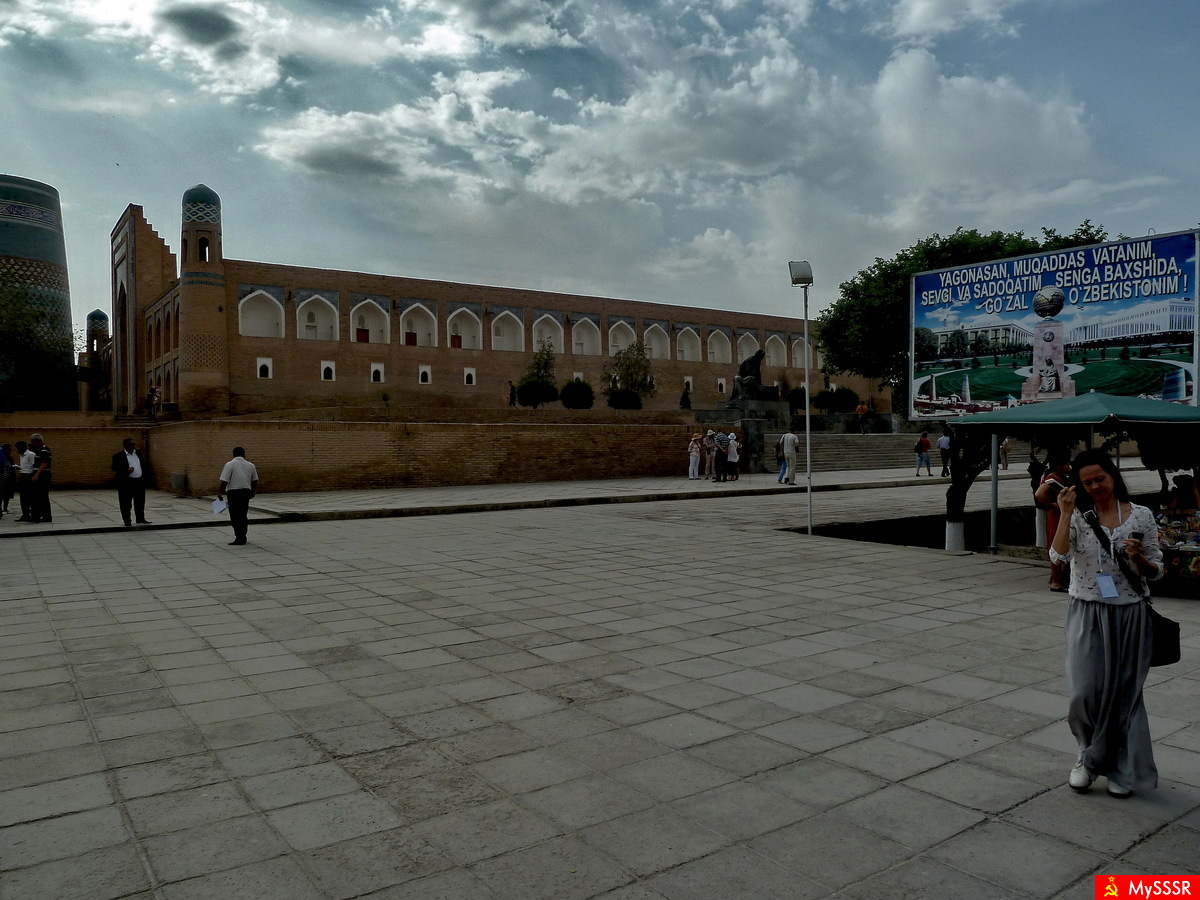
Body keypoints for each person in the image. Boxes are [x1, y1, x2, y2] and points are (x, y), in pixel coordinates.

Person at [1050, 449, 1163, 799]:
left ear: (1113, 475)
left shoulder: (1140, 515)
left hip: (1130, 612)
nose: (1095, 486)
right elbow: (1058, 556)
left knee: (1125, 694)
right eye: (1087, 482)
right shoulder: (1078, 517)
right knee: (1083, 692)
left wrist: (1138, 557)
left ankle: (1120, 766)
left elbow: (1156, 570)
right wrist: (1065, 513)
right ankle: (1086, 755)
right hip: (1086, 609)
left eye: (1100, 478)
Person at [1035, 451, 1074, 592]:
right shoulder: (1052, 478)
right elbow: (1039, 494)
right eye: (1065, 463)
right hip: (1056, 515)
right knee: (1055, 544)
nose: (1068, 466)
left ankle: (1058, 578)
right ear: (1058, 465)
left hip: (1063, 513)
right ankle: (1056, 582)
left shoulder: (1063, 476)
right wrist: (1052, 505)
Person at [217, 446, 259, 546]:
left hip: (233, 493)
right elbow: (255, 480)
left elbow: (224, 480)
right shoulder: (250, 465)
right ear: (244, 454)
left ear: (233, 454)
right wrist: (252, 492)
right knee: (243, 515)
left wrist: (220, 492)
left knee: (234, 515)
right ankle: (243, 536)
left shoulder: (229, 464)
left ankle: (239, 537)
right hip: (245, 492)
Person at [111, 437, 151, 526]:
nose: (132, 446)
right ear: (125, 445)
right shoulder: (118, 456)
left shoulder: (138, 454)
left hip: (139, 481)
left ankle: (140, 518)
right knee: (126, 503)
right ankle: (127, 520)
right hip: (126, 483)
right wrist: (126, 469)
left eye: (133, 444)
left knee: (140, 501)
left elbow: (142, 465)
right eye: (130, 444)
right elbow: (114, 467)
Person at [26, 433, 52, 524]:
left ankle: (46, 516)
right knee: (35, 496)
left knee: (43, 496)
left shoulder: (45, 450)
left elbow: (44, 464)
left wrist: (37, 475)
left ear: (36, 441)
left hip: (43, 475)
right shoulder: (37, 450)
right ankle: (36, 515)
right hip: (37, 474)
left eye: (32, 442)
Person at [13, 440, 34, 522]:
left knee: (29, 496)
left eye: (18, 448)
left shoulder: (30, 454)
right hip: (23, 475)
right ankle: (25, 514)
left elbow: (34, 465)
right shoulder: (21, 456)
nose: (17, 450)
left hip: (29, 476)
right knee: (23, 497)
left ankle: (31, 513)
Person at [0, 443, 14, 518]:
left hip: (8, 479)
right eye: (9, 449)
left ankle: (5, 508)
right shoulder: (2, 457)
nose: (10, 451)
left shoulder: (10, 458)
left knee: (7, 494)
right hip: (2, 479)